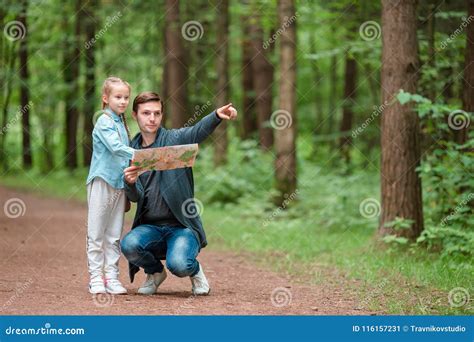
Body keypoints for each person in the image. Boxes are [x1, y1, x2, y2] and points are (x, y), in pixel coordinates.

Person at [120, 91, 237, 295]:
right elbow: (135, 198)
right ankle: (155, 272)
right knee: (129, 244)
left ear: (162, 115)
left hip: (182, 227)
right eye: (146, 113)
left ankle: (196, 271)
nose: (152, 118)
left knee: (180, 265)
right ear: (135, 115)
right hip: (150, 227)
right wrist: (129, 183)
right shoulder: (131, 151)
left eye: (157, 113)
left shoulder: (175, 139)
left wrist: (216, 116)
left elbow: (196, 131)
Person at [86, 76, 135, 295]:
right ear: (106, 98)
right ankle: (95, 277)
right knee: (97, 232)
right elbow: (116, 148)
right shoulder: (105, 120)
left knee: (114, 234)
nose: (123, 101)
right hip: (102, 181)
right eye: (118, 97)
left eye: (126, 97)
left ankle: (111, 276)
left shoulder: (122, 122)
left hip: (118, 184)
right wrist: (142, 155)